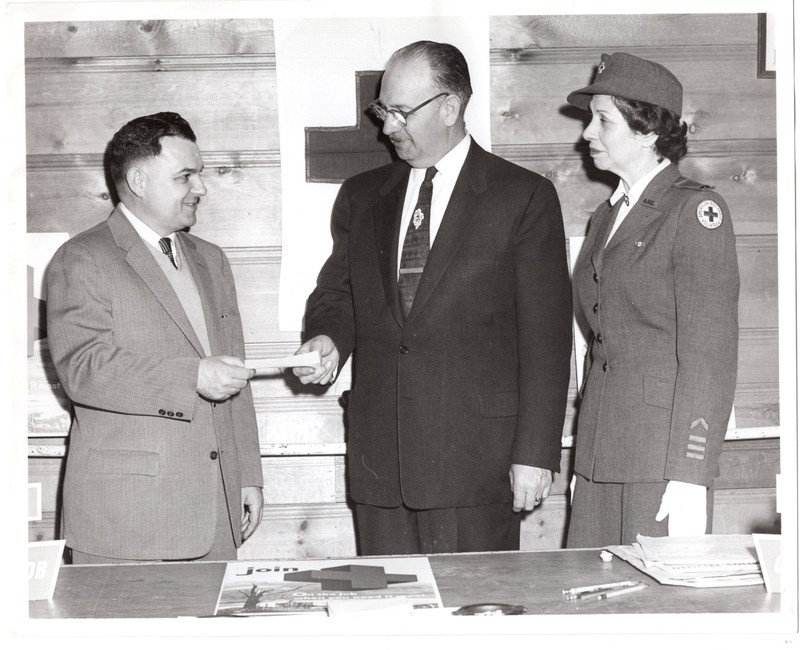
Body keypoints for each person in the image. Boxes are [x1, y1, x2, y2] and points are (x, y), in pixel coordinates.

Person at [293, 41, 572, 555]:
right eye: (383, 110)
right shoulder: (361, 195)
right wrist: (327, 337)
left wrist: (536, 452)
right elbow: (338, 292)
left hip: (477, 465)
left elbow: (548, 340)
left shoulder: (523, 197)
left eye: (400, 112)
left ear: (449, 106)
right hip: (382, 464)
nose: (387, 126)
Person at [46, 112, 264, 563]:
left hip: (216, 515)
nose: (201, 188)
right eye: (185, 176)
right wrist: (192, 377)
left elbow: (234, 374)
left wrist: (247, 476)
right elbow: (83, 370)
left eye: (199, 175)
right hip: (127, 522)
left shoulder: (213, 260)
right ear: (139, 181)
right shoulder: (81, 258)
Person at [565, 53, 739, 547]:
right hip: (602, 453)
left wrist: (692, 473)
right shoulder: (605, 217)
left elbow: (710, 356)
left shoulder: (695, 211)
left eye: (603, 120)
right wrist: (587, 464)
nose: (587, 134)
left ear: (646, 130)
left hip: (662, 462)